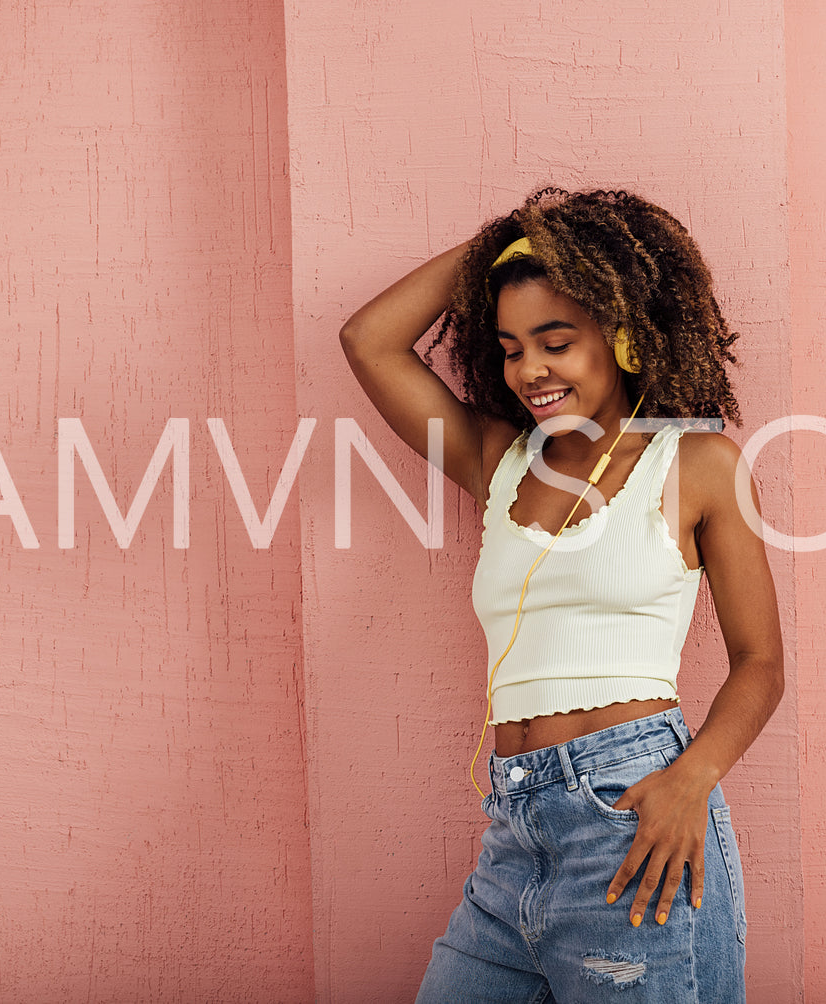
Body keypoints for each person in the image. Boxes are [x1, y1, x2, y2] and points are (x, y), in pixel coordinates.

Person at [340, 187, 784, 1003]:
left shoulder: (696, 465)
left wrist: (693, 779)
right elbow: (369, 340)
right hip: (515, 829)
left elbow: (760, 663)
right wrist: (505, 241)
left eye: (556, 342)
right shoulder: (499, 458)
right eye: (510, 348)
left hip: (631, 811)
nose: (529, 370)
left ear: (620, 336)